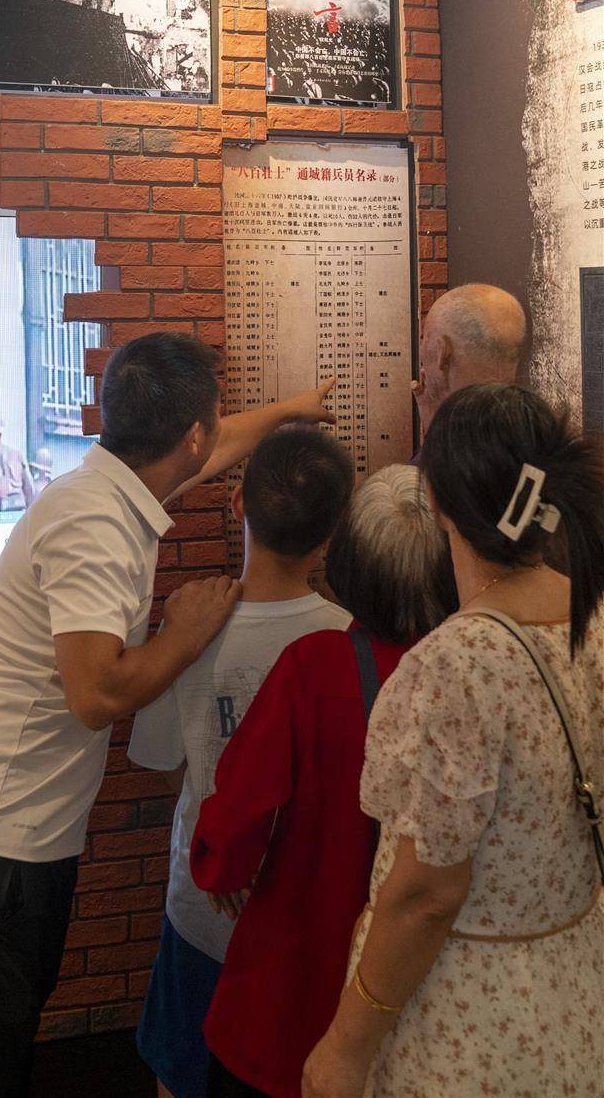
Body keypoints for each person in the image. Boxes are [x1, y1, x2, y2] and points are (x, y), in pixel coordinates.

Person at [0, 333, 337, 1098]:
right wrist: (183, 634)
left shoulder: (112, 484)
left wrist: (294, 410)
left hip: (0, 845)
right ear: (188, 436)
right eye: (212, 419)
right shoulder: (96, 523)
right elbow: (95, 695)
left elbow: (217, 443)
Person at [303, 385, 604, 1098]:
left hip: (467, 1014)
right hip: (574, 984)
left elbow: (427, 895)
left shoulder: (456, 664)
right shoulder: (592, 619)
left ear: (435, 500)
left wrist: (345, 1048)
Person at [191, 465, 456, 1098]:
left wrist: (221, 867)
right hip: (426, 983)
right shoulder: (466, 676)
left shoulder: (314, 667)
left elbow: (238, 809)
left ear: (349, 561)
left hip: (298, 971)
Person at [129, 427, 357, 1098]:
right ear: (330, 534)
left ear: (238, 505)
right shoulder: (350, 639)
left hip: (200, 908)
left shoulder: (188, 629)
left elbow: (161, 761)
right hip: (307, 921)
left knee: (183, 1073)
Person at [411, 283, 527, 447]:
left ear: (442, 352)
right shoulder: (531, 433)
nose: (422, 346)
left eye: (425, 337)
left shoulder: (467, 450)